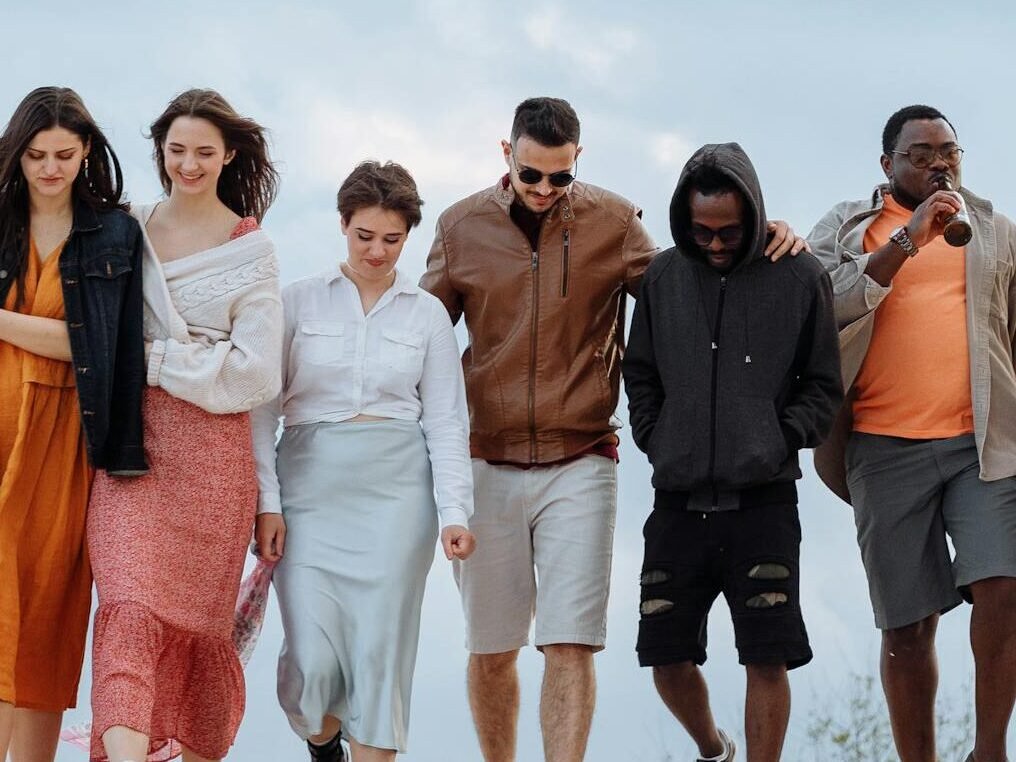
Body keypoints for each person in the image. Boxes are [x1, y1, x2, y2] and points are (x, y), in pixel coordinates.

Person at [420, 96, 807, 762]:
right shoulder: (459, 227)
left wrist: (763, 238)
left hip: (583, 457)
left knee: (570, 641)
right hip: (486, 459)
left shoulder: (614, 222)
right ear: (506, 155)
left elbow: (689, 283)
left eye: (560, 177)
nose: (544, 190)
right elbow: (421, 339)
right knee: (492, 648)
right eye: (531, 175)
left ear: (579, 162)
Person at [808, 104, 1016, 762]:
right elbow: (825, 306)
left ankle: (989, 750)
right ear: (887, 165)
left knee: (1004, 586)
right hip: (881, 446)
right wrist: (909, 240)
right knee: (906, 627)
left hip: (982, 445)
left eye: (948, 152)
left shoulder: (994, 230)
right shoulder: (845, 229)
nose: (937, 164)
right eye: (920, 155)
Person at [623, 143, 842, 762]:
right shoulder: (662, 278)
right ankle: (714, 749)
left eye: (728, 232)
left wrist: (775, 438)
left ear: (753, 216)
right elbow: (640, 373)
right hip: (677, 502)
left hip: (764, 502)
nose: (715, 244)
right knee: (663, 654)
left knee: (766, 655)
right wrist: (657, 436)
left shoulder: (799, 276)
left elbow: (823, 384)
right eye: (701, 232)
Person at [252, 159, 475, 762]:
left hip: (398, 497)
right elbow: (262, 413)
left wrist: (455, 512)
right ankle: (324, 745)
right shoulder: (296, 302)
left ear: (410, 235)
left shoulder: (427, 314)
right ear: (343, 225)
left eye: (393, 239)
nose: (377, 251)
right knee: (311, 663)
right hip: (309, 490)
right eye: (364, 236)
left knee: (380, 654)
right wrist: (266, 503)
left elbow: (448, 422)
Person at [86, 89, 283, 762]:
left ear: (228, 155)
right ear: (159, 150)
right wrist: (202, 356)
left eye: (204, 152)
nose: (189, 165)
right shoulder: (125, 227)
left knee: (200, 637)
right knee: (128, 610)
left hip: (215, 471)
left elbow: (255, 379)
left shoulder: (250, 249)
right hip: (127, 455)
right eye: (176, 151)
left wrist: (154, 357)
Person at [0, 86, 146, 762]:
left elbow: (97, 346)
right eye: (36, 156)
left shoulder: (114, 231)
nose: (50, 169)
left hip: (66, 438)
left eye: (63, 154)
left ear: (87, 150)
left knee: (50, 607)